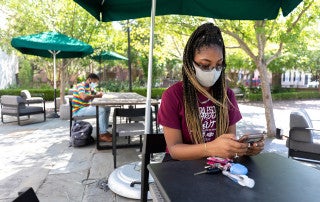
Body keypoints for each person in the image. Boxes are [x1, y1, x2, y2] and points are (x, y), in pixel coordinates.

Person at [158, 23, 264, 161]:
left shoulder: (227, 95)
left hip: (217, 166)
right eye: (205, 65)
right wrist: (210, 148)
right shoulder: (173, 95)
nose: (213, 71)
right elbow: (174, 150)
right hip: (181, 167)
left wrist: (243, 148)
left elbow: (230, 142)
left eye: (219, 65)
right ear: (190, 63)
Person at [72, 73, 112, 142]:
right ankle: (102, 135)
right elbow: (83, 97)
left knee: (107, 107)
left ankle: (105, 131)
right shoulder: (81, 86)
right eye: (94, 82)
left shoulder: (89, 88)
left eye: (96, 82)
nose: (95, 83)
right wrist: (96, 96)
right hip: (79, 110)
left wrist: (98, 94)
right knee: (101, 110)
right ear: (89, 79)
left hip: (86, 107)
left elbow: (94, 94)